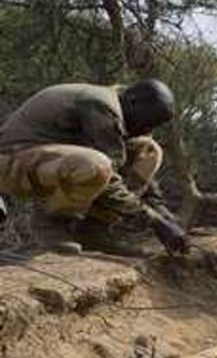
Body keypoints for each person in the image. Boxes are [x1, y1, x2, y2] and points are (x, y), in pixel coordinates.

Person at [0, 80, 189, 255]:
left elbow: (129, 172)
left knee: (148, 149)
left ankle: (94, 230)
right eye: (148, 121)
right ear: (133, 101)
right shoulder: (100, 105)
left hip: (44, 163)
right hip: (10, 165)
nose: (148, 129)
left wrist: (163, 213)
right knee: (96, 166)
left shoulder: (120, 104)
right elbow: (109, 179)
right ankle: (50, 225)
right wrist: (154, 221)